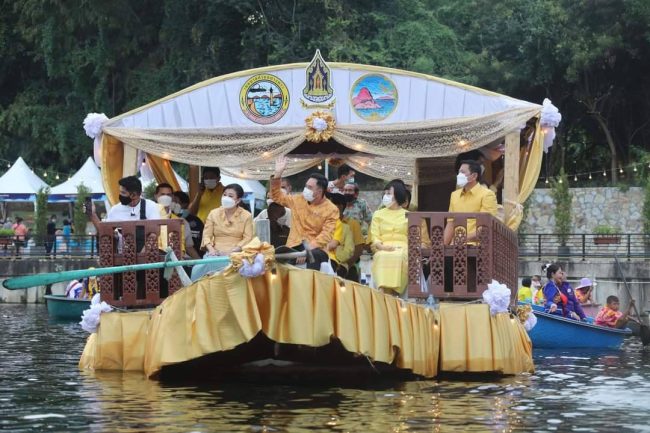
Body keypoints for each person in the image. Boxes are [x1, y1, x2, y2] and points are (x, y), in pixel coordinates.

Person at [271, 156, 339, 271]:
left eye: (310, 187)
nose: (305, 189)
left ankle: (311, 287)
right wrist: (278, 174)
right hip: (293, 246)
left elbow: (326, 235)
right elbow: (277, 197)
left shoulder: (331, 209)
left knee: (314, 256)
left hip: (316, 248)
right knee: (276, 255)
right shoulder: (298, 200)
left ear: (320, 190)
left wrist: (307, 250)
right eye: (306, 186)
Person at [194, 183, 253, 280]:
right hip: (214, 253)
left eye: (230, 196)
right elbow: (206, 235)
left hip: (237, 254)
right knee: (199, 268)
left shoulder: (246, 215)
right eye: (224, 195)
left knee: (230, 266)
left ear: (238, 200)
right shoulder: (213, 213)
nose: (226, 198)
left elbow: (248, 238)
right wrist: (211, 250)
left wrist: (232, 251)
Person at [443, 160, 498, 245]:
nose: (459, 175)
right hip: (455, 245)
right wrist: (442, 247)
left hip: (476, 246)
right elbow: (451, 223)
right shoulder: (454, 195)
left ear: (474, 176)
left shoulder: (487, 195)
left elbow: (486, 226)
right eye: (459, 172)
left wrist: (464, 238)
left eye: (462, 172)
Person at [370, 181, 409, 295]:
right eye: (385, 193)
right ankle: (383, 292)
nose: (386, 196)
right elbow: (375, 235)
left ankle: (394, 292)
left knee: (399, 255)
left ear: (397, 195)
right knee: (382, 255)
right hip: (382, 247)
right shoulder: (378, 214)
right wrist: (381, 246)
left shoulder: (408, 214)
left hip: (402, 248)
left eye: (389, 193)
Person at [90, 176, 161, 227]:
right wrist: (92, 214)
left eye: (123, 193)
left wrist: (144, 248)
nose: (120, 195)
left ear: (134, 195)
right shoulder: (115, 210)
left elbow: (155, 232)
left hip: (145, 247)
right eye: (120, 192)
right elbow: (105, 231)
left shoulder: (150, 206)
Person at [155, 183, 200, 259]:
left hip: (176, 260)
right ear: (156, 196)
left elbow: (188, 247)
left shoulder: (182, 222)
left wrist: (200, 262)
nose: (165, 197)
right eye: (162, 194)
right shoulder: (148, 217)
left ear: (172, 197)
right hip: (154, 259)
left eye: (168, 195)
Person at [172, 191, 204, 256]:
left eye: (176, 202)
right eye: (172, 202)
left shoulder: (196, 221)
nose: (173, 204)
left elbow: (201, 243)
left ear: (185, 204)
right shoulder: (166, 220)